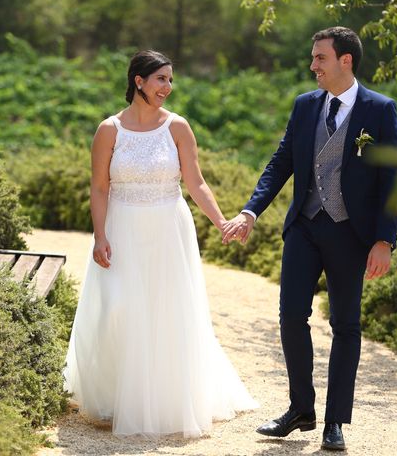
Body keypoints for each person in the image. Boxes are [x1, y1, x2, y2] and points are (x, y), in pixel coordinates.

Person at [223, 27, 397, 451]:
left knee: (346, 325)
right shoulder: (305, 106)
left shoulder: (380, 109)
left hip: (351, 234)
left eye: (320, 57)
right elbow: (281, 161)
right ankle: (301, 409)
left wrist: (384, 240)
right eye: (313, 57)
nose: (312, 65)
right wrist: (251, 210)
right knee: (290, 317)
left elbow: (392, 179)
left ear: (346, 61)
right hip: (304, 227)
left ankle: (335, 422)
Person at [64, 50, 257, 438]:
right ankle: (119, 396)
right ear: (139, 81)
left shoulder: (178, 127)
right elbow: (100, 187)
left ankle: (167, 400)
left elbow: (196, 182)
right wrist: (100, 235)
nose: (168, 87)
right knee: (120, 307)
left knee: (168, 310)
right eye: (161, 80)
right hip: (122, 228)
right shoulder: (109, 130)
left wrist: (220, 220)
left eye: (170, 80)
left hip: (170, 228)